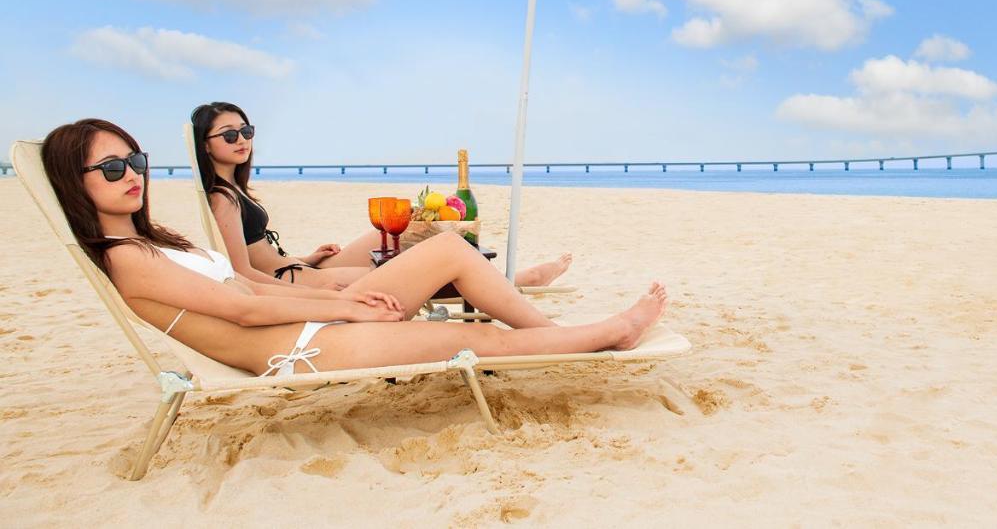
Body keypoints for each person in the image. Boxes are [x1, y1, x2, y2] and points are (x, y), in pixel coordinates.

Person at [41, 118, 666, 376]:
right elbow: (243, 312)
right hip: (301, 345)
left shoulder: (153, 242)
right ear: (77, 184)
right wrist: (349, 306)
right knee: (480, 342)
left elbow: (250, 287)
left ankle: (559, 329)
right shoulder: (125, 258)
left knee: (448, 249)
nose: (134, 175)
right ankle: (607, 335)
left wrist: (338, 289)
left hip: (307, 320)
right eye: (113, 168)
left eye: (136, 160)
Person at [190, 102, 572, 290]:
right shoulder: (222, 198)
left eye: (246, 130)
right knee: (400, 270)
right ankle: (519, 279)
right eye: (228, 135)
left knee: (396, 231)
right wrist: (315, 292)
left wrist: (309, 259)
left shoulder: (234, 189)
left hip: (298, 267)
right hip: (290, 282)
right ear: (206, 146)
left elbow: (259, 250)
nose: (241, 140)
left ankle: (488, 274)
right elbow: (243, 273)